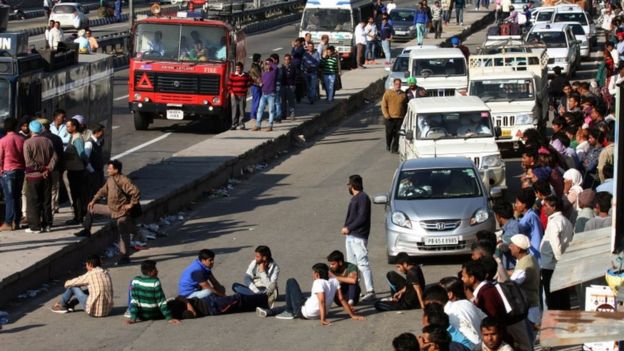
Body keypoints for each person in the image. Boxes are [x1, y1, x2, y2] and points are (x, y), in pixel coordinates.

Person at [76, 160, 140, 265]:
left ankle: (125, 257)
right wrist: (93, 200)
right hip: (111, 209)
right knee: (91, 208)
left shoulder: (124, 181)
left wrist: (131, 205)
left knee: (123, 231)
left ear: (116, 170)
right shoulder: (110, 179)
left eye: (110, 168)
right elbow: (103, 191)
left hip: (122, 212)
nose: (108, 170)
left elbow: (136, 192)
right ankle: (86, 229)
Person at [256, 263, 365, 324]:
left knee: (291, 281)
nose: (312, 275)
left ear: (317, 275)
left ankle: (289, 311)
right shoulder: (335, 281)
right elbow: (342, 299)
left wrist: (323, 320)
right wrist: (352, 315)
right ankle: (269, 312)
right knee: (299, 300)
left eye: (313, 273)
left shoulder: (318, 282)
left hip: (305, 313)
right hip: (314, 309)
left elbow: (322, 301)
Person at [461, 260, 533, 351]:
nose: (462, 279)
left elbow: (494, 319)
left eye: (464, 276)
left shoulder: (486, 293)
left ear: (472, 278)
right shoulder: (486, 289)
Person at [342, 174, 375, 301]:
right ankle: (356, 290)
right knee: (352, 265)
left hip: (358, 236)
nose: (348, 187)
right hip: (350, 236)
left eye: (349, 185)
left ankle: (370, 290)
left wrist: (348, 228)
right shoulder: (356, 198)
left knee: (362, 263)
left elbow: (362, 218)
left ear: (353, 185)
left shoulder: (363, 198)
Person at [23, 120, 57, 234]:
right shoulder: (48, 141)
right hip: (47, 176)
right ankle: (47, 224)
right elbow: (54, 157)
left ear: (31, 130)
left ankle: (35, 226)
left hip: (33, 177)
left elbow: (29, 162)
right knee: (46, 201)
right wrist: (48, 168)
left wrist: (41, 168)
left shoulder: (27, 143)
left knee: (33, 202)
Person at [540, 195, 574, 310]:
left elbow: (556, 245)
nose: (543, 208)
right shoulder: (566, 221)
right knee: (562, 296)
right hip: (557, 264)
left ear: (553, 207)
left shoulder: (554, 222)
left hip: (551, 266)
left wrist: (560, 262)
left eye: (546, 205)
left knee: (553, 299)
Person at [127, 260, 181, 325]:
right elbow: (161, 302)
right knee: (174, 303)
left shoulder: (135, 280)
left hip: (141, 316)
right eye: (155, 269)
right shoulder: (155, 282)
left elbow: (134, 301)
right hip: (155, 315)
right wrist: (169, 318)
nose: (157, 271)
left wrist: (133, 318)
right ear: (150, 272)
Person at [508, 234, 540, 340]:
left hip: (529, 309)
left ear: (519, 248)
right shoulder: (529, 258)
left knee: (527, 341)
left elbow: (513, 284)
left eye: (512, 245)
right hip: (532, 306)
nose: (509, 247)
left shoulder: (524, 264)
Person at [438, 277, 486, 347]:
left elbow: (473, 340)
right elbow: (485, 318)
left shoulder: (450, 312)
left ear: (450, 294)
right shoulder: (467, 303)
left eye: (439, 292)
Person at [0, 117, 26, 231]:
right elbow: (24, 156)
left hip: (8, 171)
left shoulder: (3, 141)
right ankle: (17, 220)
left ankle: (8, 222)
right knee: (17, 196)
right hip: (20, 170)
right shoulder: (21, 140)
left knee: (9, 198)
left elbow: (0, 158)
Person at [38, 118, 64, 220]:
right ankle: (52, 212)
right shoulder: (57, 138)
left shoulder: (38, 139)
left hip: (41, 170)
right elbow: (60, 155)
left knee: (42, 192)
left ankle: (43, 214)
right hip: (55, 168)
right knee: (53, 190)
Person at [64, 118, 87, 225]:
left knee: (77, 195)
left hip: (76, 170)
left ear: (74, 127)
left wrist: (84, 165)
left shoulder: (77, 138)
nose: (67, 128)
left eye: (69, 126)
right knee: (76, 194)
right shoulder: (73, 137)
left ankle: (78, 217)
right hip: (74, 169)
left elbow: (82, 154)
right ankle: (79, 215)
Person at [514, 188, 543, 259]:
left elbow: (517, 230)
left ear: (524, 205)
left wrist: (515, 216)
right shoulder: (532, 213)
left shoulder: (529, 217)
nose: (515, 205)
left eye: (517, 203)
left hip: (535, 253)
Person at [381, 78, 408, 153]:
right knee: (389, 133)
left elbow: (405, 106)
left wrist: (405, 116)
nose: (398, 86)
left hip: (400, 117)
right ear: (394, 84)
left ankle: (394, 149)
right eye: (396, 84)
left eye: (399, 84)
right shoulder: (388, 93)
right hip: (390, 118)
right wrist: (386, 115)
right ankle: (388, 144)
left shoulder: (403, 94)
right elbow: (383, 105)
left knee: (398, 134)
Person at [252, 59, 278, 132]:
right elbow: (261, 82)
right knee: (260, 110)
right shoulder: (264, 73)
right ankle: (258, 125)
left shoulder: (274, 72)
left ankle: (270, 126)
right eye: (266, 65)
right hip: (264, 94)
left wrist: (269, 62)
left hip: (271, 94)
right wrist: (260, 83)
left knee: (271, 110)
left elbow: (275, 67)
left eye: (269, 64)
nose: (267, 66)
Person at [84, 124, 105, 201]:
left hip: (98, 173)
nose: (103, 134)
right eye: (102, 132)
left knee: (98, 192)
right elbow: (86, 159)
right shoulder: (89, 143)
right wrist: (92, 171)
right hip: (93, 173)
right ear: (97, 132)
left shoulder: (98, 142)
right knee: (93, 193)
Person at [229, 62, 251, 130]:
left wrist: (247, 86)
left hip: (242, 95)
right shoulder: (232, 75)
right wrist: (232, 93)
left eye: (238, 68)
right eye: (236, 68)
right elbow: (229, 85)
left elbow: (250, 81)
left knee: (242, 110)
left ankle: (241, 124)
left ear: (242, 68)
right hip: (234, 95)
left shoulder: (246, 75)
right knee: (234, 110)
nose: (237, 69)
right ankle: (234, 124)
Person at [282, 54, 297, 120]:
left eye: (288, 59)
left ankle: (292, 114)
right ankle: (283, 114)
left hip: (290, 85)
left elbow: (291, 75)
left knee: (291, 101)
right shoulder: (282, 67)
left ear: (290, 60)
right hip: (283, 85)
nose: (286, 61)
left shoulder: (293, 67)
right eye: (285, 60)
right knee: (283, 101)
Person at [249, 53, 263, 121]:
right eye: (259, 58)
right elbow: (258, 76)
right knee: (256, 101)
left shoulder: (256, 66)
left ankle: (254, 114)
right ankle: (253, 116)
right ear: (258, 59)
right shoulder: (254, 67)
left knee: (256, 100)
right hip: (256, 85)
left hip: (256, 85)